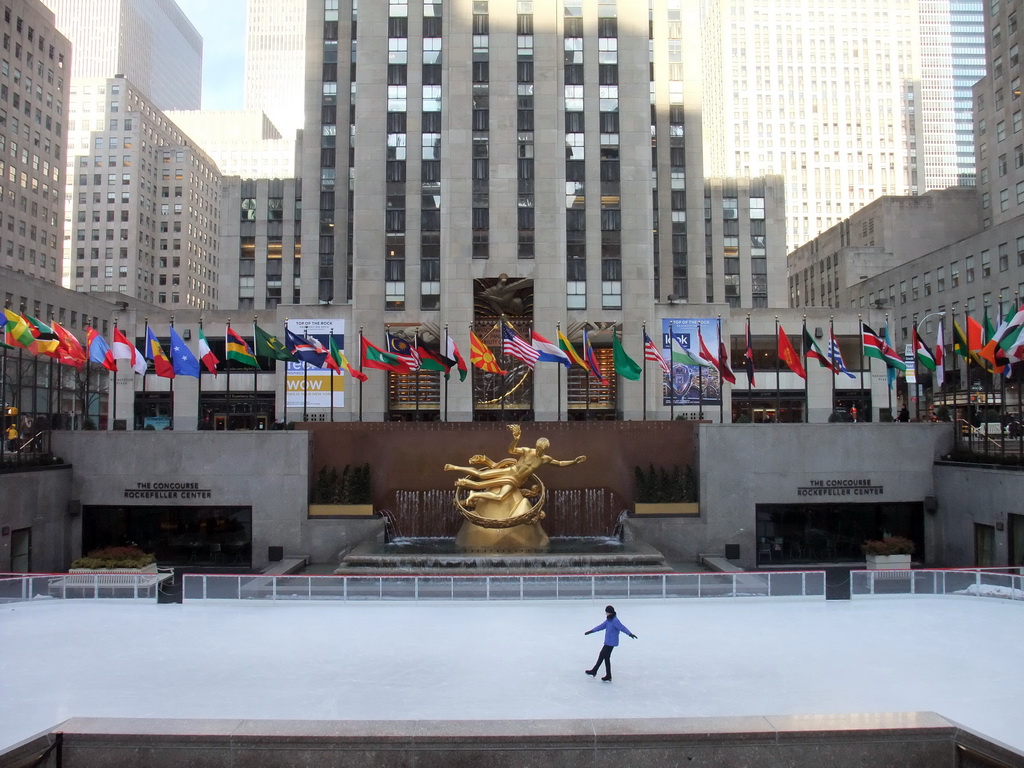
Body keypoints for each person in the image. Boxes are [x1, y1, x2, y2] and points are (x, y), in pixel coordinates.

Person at [444, 424, 585, 507]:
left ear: (545, 449)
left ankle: (473, 493)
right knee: (480, 475)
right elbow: (511, 451)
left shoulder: (545, 459)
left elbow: (559, 463)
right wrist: (515, 440)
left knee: (498, 496)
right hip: (510, 471)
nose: (538, 451)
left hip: (515, 481)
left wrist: (574, 461)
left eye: (541, 449)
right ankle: (455, 468)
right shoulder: (527, 451)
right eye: (538, 448)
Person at [584, 605, 637, 682]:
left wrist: (630, 634)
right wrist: (591, 631)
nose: (606, 614)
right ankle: (605, 674)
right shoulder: (609, 620)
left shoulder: (615, 621)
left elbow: (622, 628)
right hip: (608, 641)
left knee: (603, 655)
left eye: (607, 612)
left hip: (611, 642)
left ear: (610, 613)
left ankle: (596, 671)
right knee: (605, 657)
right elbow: (601, 626)